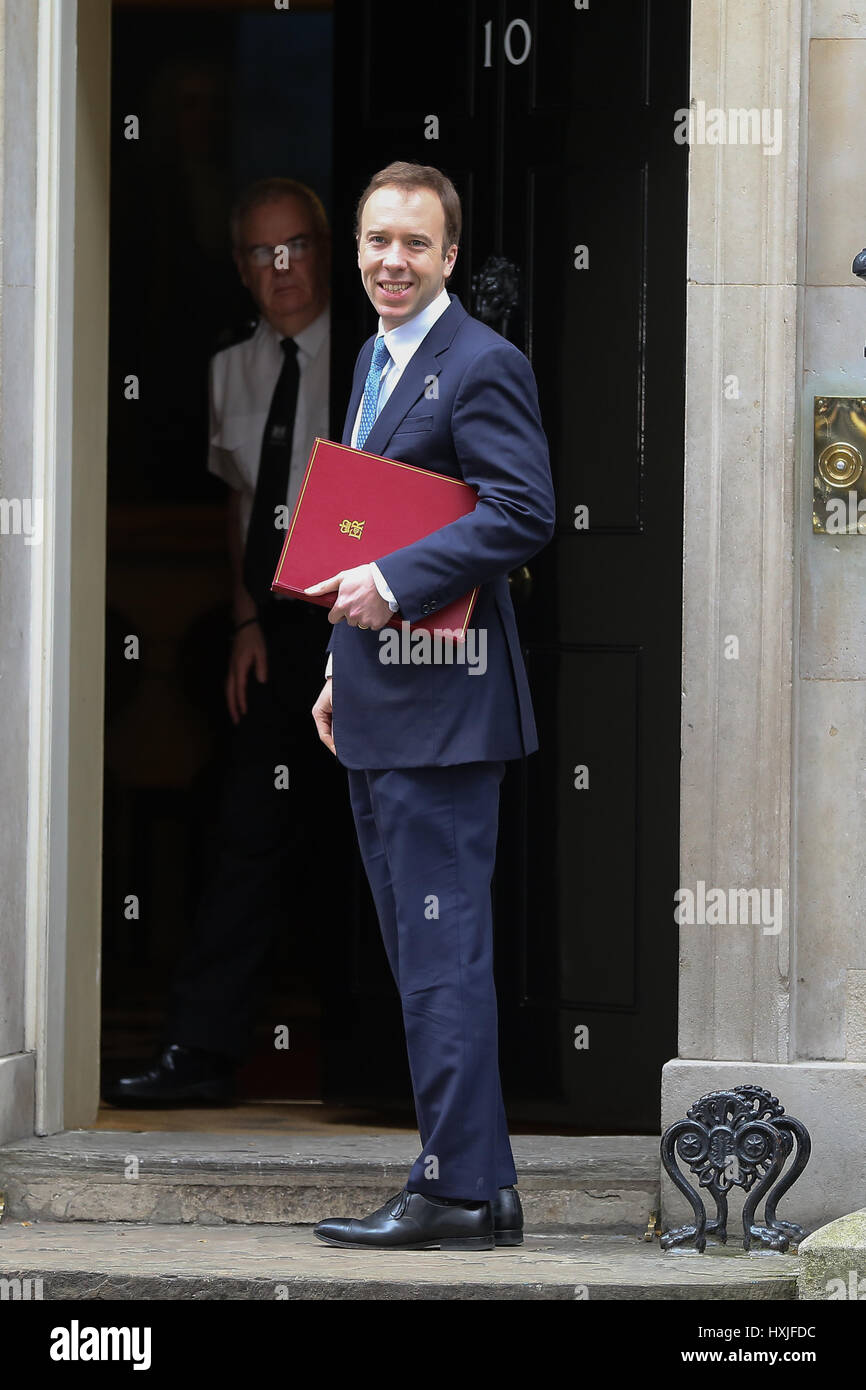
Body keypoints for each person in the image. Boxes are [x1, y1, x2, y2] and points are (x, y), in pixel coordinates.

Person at [306, 161, 555, 1250]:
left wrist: (397, 582)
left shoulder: (481, 363)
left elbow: (522, 510)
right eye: (374, 242)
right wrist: (331, 663)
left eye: (413, 244)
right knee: (422, 957)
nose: (389, 262)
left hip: (447, 712)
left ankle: (451, 1188)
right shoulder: (369, 355)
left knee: (439, 956)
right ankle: (482, 1184)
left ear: (449, 256)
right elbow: (357, 525)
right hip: (376, 695)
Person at [103, 178, 336, 1106]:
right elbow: (241, 500)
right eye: (260, 252)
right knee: (246, 833)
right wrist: (243, 619)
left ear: (326, 249)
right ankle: (199, 1053)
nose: (282, 268)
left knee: (367, 841)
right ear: (241, 269)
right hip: (275, 632)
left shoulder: (373, 359)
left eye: (296, 246)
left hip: (367, 623)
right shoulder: (229, 371)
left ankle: (390, 1064)